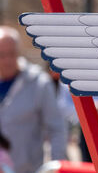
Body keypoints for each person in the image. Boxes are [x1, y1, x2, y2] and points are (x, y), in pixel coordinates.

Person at [0, 26, 67, 173]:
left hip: (26, 168)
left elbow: (56, 128)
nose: (7, 60)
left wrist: (57, 166)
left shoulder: (38, 83)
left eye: (11, 54)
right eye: (2, 55)